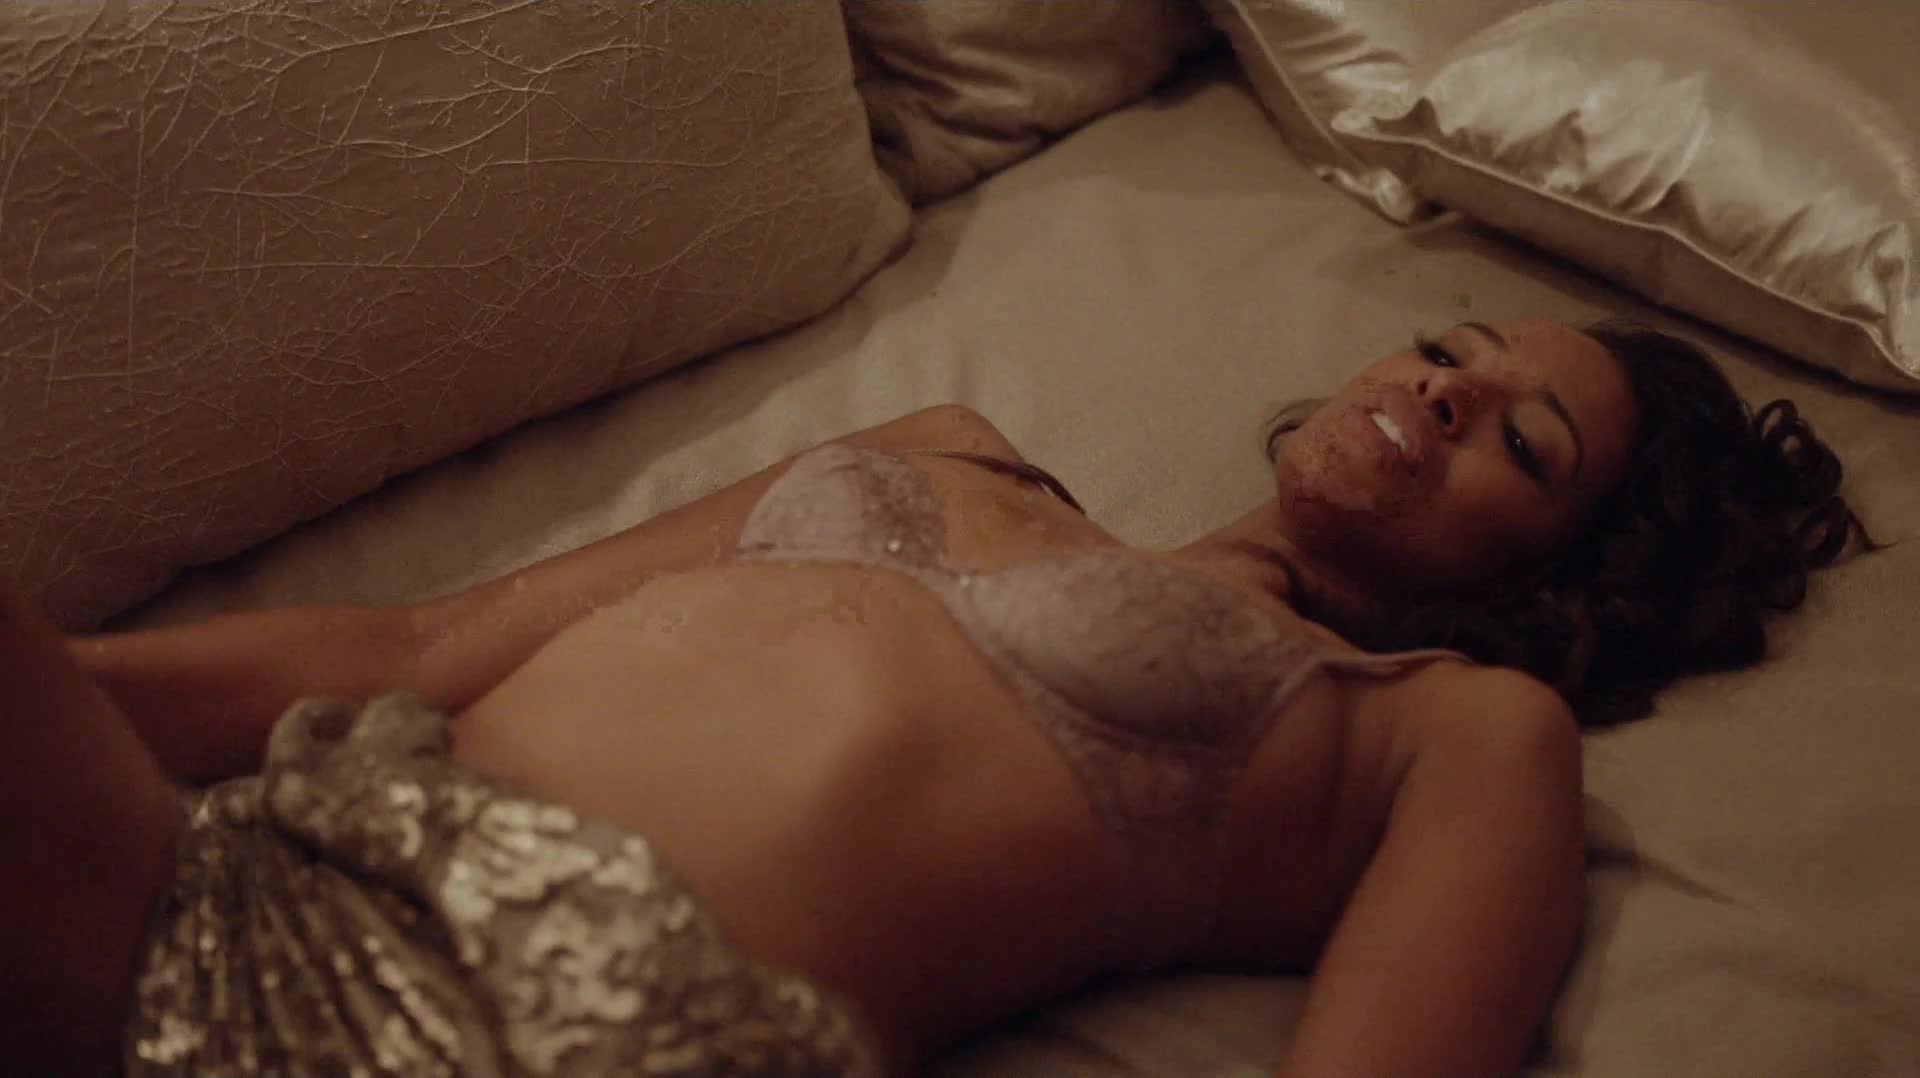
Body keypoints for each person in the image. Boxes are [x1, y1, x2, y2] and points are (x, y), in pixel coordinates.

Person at [2, 318, 1865, 1076]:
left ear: (1560, 583)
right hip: (269, 869)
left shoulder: (1443, 728)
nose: (1447, 390)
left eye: (1523, 442)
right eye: (1450, 348)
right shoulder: (945, 444)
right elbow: (421, 649)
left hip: (534, 1028)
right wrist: (62, 693)